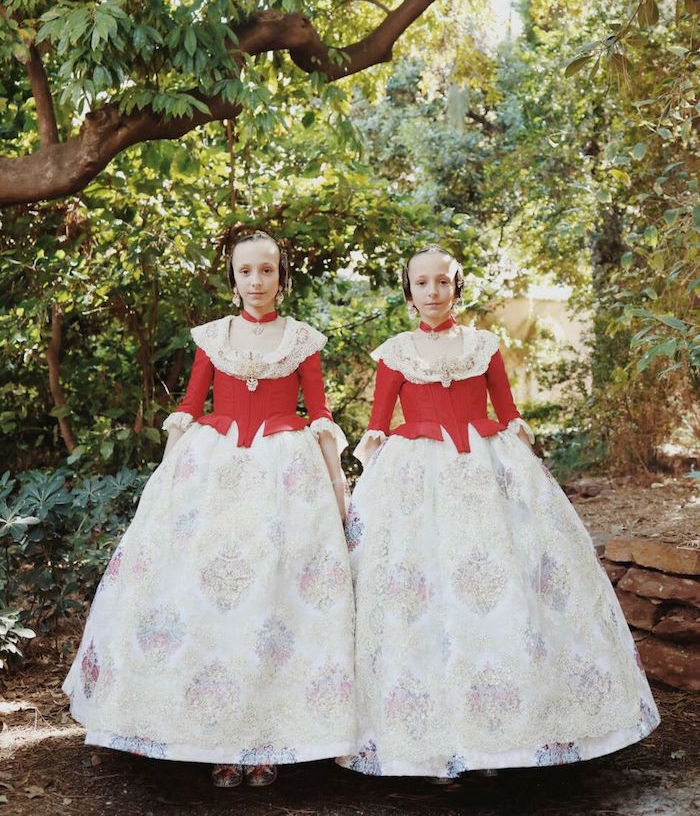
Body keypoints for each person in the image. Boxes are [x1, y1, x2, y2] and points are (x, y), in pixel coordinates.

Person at [338, 244, 659, 781]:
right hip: (416, 482)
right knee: (424, 595)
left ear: (457, 286)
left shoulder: (483, 346)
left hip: (488, 473)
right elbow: (377, 425)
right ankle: (435, 744)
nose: (433, 291)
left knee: (503, 587)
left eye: (443, 281)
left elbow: (508, 413)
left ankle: (504, 738)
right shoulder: (395, 353)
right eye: (422, 282)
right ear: (408, 289)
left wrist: (531, 486)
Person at [63, 231, 356, 788]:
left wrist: (337, 483)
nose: (256, 281)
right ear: (233, 278)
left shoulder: (301, 340)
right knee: (207, 596)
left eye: (267, 270)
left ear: (281, 276)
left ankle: (265, 740)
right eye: (246, 271)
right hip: (214, 471)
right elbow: (190, 406)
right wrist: (166, 481)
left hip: (284, 477)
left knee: (272, 600)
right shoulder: (213, 337)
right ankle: (213, 738)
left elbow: (319, 413)